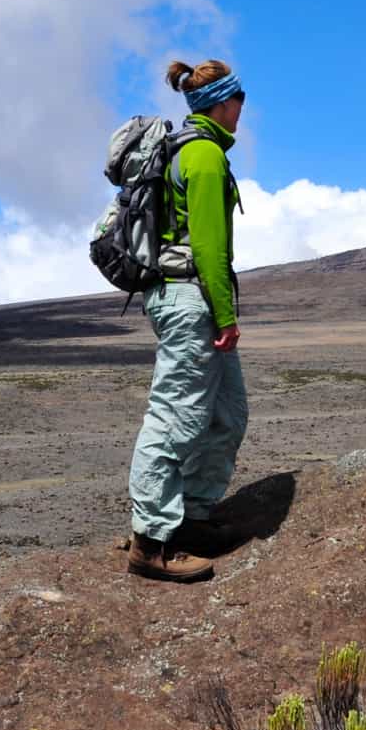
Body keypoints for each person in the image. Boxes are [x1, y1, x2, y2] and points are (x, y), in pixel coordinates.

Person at [127, 58, 249, 582]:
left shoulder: (199, 150)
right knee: (175, 419)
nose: (243, 113)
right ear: (223, 103)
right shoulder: (201, 155)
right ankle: (152, 543)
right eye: (240, 103)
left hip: (189, 298)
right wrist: (225, 315)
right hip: (190, 301)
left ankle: (192, 518)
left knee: (226, 414)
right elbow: (209, 247)